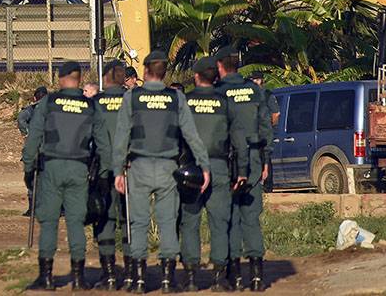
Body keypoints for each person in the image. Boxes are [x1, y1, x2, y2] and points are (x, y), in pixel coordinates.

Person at [112, 50, 210, 293]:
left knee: (139, 223)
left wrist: (117, 171)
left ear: (145, 71)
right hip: (169, 168)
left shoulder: (132, 97)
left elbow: (121, 136)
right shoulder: (176, 98)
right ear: (165, 72)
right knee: (167, 222)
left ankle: (140, 279)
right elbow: (191, 136)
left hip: (139, 167)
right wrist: (204, 166)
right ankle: (167, 279)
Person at [22, 61, 105, 291]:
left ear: (61, 78)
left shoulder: (49, 102)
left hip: (52, 168)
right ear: (79, 79)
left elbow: (33, 139)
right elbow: (101, 142)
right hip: (79, 168)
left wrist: (29, 168)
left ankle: (46, 277)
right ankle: (79, 279)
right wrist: (100, 171)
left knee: (49, 222)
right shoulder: (90, 106)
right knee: (76, 222)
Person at [180, 57, 243, 292]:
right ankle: (219, 277)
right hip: (219, 167)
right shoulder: (225, 103)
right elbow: (236, 140)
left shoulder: (186, 102)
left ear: (196, 76)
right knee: (219, 224)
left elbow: (178, 137)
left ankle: (191, 277)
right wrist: (240, 171)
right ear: (214, 76)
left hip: (191, 169)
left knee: (190, 223)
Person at [216, 46, 272, 292]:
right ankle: (258, 276)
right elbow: (266, 128)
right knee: (251, 219)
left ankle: (235, 275)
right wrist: (266, 160)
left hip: (227, 165)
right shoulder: (255, 92)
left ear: (219, 66)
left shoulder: (218, 93)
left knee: (230, 220)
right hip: (254, 162)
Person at [89, 60, 128, 291]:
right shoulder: (133, 100)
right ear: (123, 79)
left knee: (104, 220)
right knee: (130, 221)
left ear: (105, 78)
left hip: (103, 171)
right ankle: (134, 273)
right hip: (130, 170)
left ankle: (110, 274)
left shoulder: (95, 102)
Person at [17, 86, 49, 217]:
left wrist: (28, 132)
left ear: (35, 98)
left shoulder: (32, 109)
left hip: (35, 149)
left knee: (32, 179)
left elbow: (20, 119)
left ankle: (33, 208)